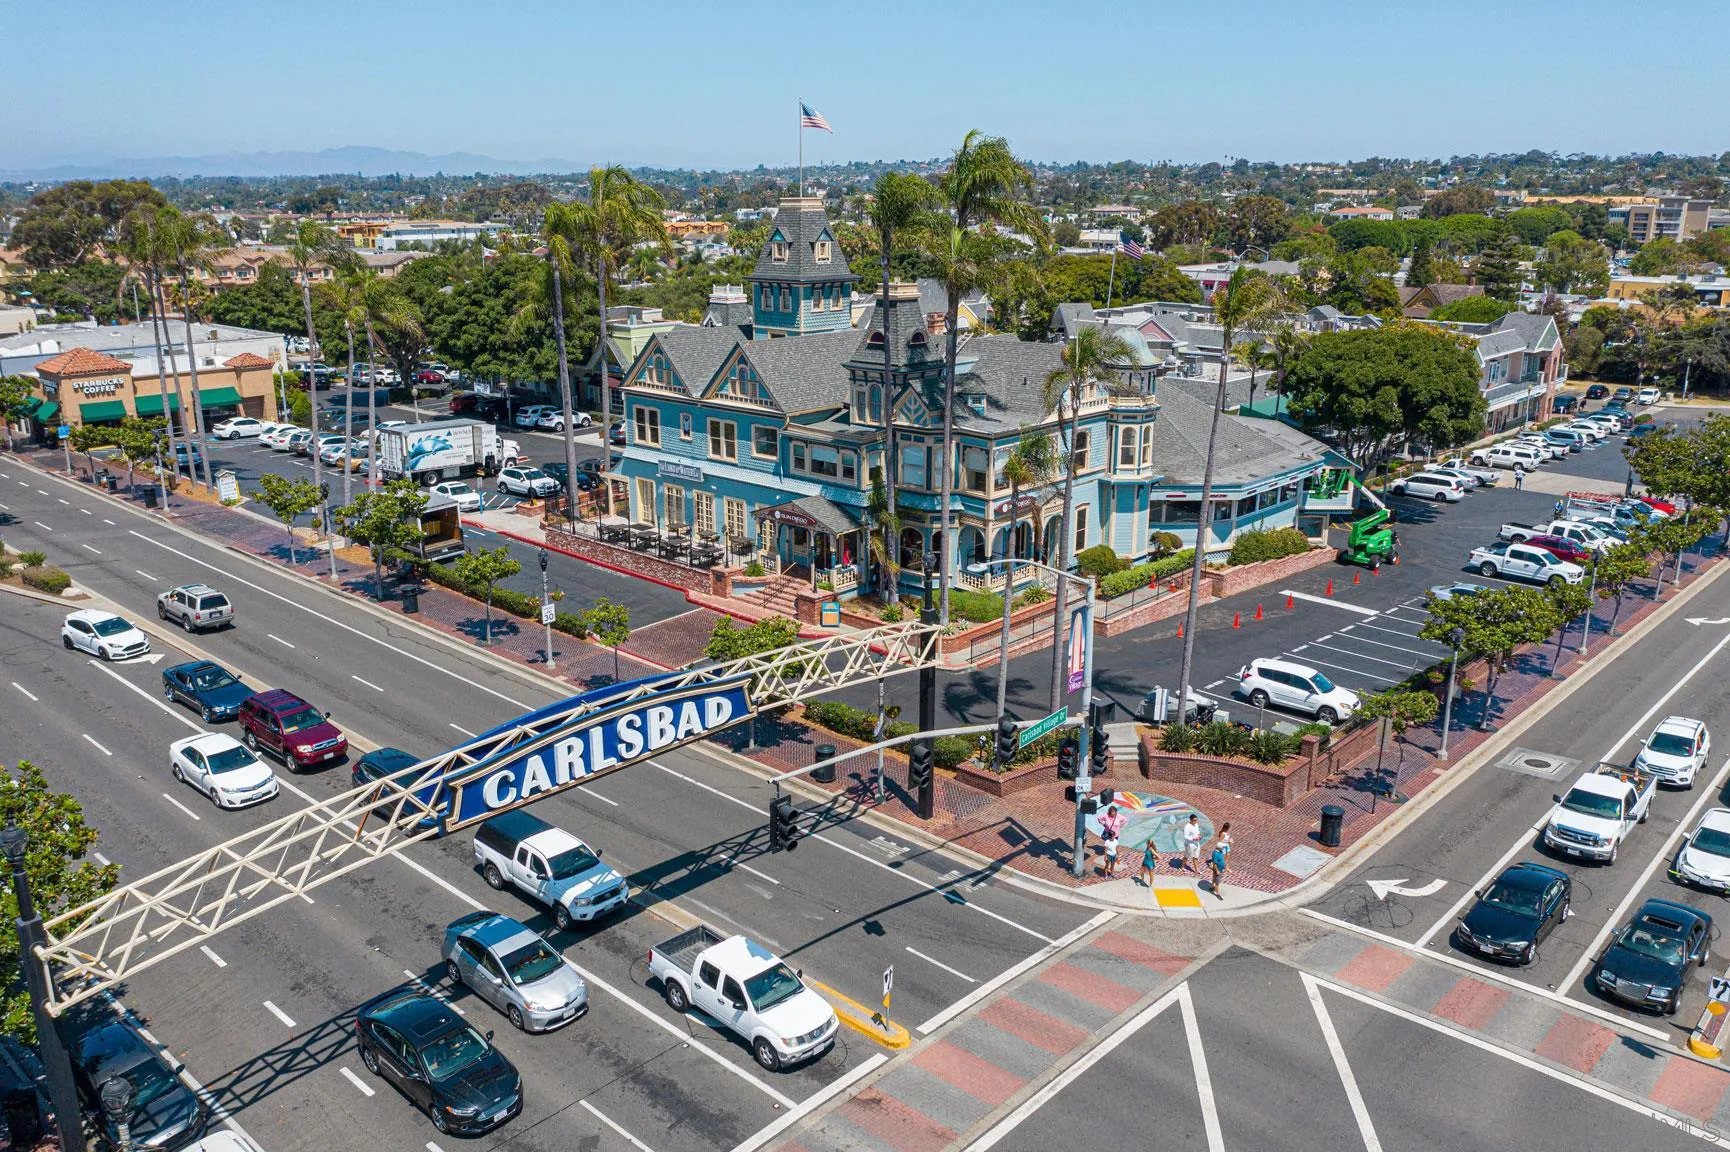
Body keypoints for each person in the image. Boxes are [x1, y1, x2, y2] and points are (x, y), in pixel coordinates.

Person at [1099, 805, 1126, 876]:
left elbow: (1125, 819)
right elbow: (1099, 819)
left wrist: (1120, 826)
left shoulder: (1118, 816)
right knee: (1108, 844)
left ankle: (1114, 856)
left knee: (1114, 845)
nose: (1113, 815)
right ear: (1109, 812)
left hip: (1115, 834)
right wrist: (1104, 824)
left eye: (1114, 813)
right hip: (1108, 834)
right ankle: (1108, 855)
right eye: (1112, 813)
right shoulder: (1106, 815)